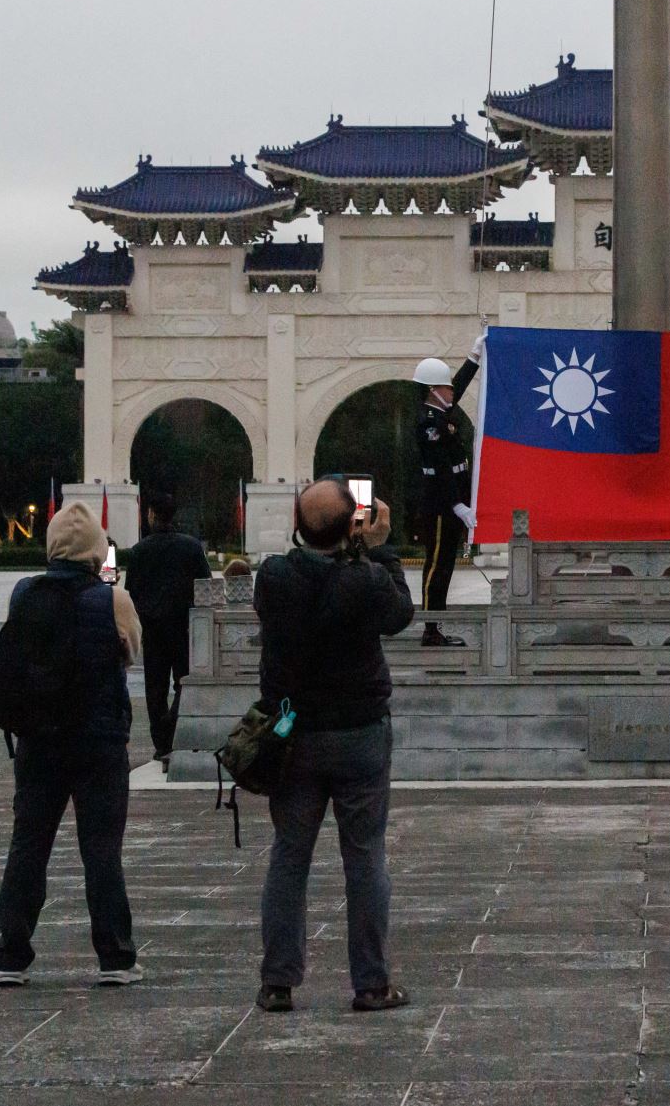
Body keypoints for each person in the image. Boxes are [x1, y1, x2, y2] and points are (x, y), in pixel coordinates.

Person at [253, 476, 416, 1013]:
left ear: (297, 528)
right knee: (365, 857)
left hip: (293, 733)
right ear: (354, 524)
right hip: (360, 732)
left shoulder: (274, 578)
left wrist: (350, 548)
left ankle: (278, 980)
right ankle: (370, 983)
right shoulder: (366, 579)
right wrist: (379, 547)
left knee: (290, 856)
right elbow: (400, 615)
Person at [0, 501, 145, 988]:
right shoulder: (111, 598)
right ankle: (114, 957)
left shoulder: (24, 593)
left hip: (38, 739)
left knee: (29, 845)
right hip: (97, 741)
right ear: (98, 549)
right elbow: (131, 653)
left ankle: (12, 954)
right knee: (101, 850)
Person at [122, 490, 211, 766]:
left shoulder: (139, 551)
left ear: (150, 514)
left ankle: (162, 744)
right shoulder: (192, 547)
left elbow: (131, 592)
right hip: (185, 628)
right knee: (185, 682)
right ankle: (173, 726)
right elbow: (206, 587)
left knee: (155, 689)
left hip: (153, 629)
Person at [414, 335, 485, 646]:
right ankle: (430, 629)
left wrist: (474, 358)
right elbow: (441, 468)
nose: (452, 390)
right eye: (446, 387)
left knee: (445, 564)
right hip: (442, 504)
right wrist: (457, 504)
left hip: (451, 500)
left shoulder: (441, 414)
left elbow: (459, 385)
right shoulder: (429, 422)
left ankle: (435, 626)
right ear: (433, 391)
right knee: (437, 565)